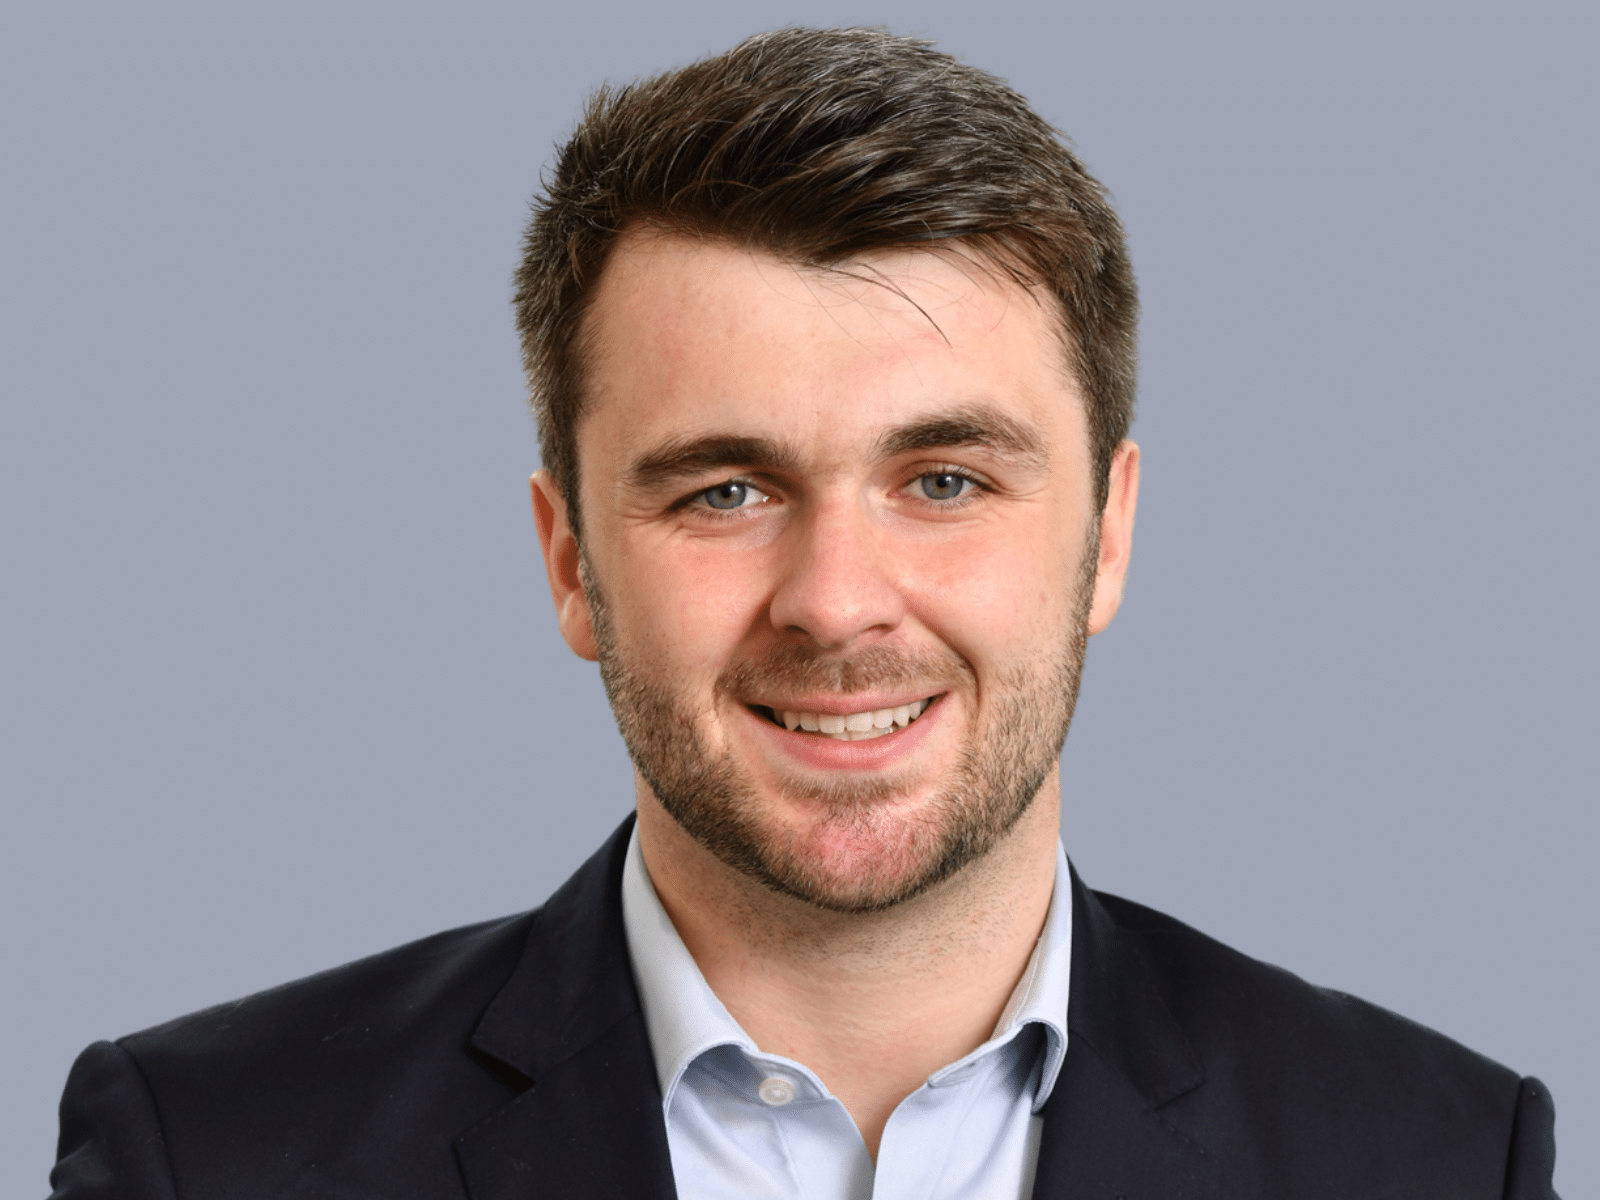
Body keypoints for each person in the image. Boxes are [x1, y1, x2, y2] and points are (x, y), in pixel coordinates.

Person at [48, 26, 1558, 1199]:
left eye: (947, 480)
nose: (836, 603)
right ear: (571, 564)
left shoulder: (1435, 1156)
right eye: (725, 491)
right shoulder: (209, 1153)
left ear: (1107, 537)